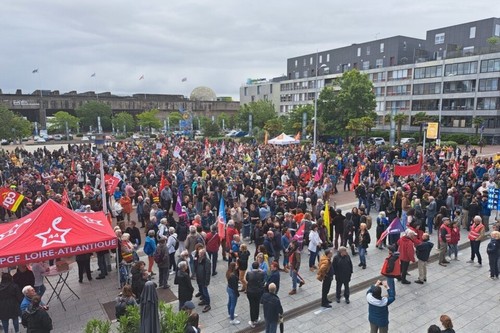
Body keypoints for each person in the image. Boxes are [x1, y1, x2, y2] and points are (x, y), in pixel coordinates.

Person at [246, 261, 265, 328]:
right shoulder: (261, 273)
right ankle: (256, 318)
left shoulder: (249, 273)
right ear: (258, 267)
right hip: (258, 292)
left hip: (250, 292)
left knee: (252, 306)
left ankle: (252, 320)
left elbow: (247, 279)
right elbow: (263, 279)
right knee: (257, 304)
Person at [196, 249, 212, 313]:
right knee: (202, 291)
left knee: (205, 291)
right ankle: (204, 300)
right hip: (200, 279)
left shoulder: (207, 261)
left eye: (199, 253)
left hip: (204, 280)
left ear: (202, 254)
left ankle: (208, 304)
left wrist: (207, 282)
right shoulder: (199, 259)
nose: (198, 254)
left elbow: (208, 272)